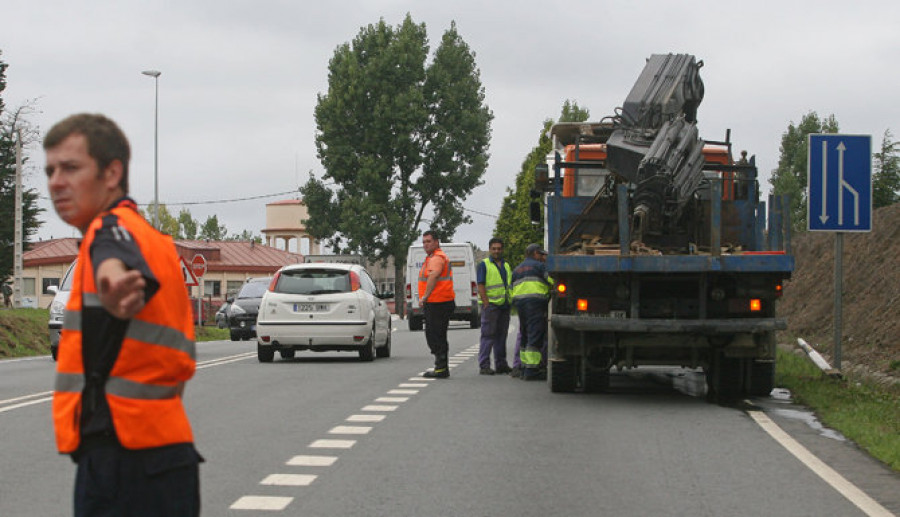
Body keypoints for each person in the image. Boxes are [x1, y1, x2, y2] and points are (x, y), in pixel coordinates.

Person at [45, 113, 201, 516]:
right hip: (168, 454)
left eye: (71, 168)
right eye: (50, 170)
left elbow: (114, 263)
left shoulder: (107, 231)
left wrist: (115, 287)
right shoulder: (160, 243)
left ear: (112, 172)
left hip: (122, 460)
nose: (56, 182)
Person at [511, 244, 553, 381]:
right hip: (535, 303)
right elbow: (552, 281)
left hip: (520, 304)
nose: (543, 257)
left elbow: (511, 289)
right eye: (541, 255)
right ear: (535, 253)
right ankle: (532, 370)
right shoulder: (540, 266)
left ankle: (524, 367)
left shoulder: (517, 269)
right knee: (535, 335)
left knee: (525, 335)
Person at [418, 230, 455, 378]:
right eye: (424, 242)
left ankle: (441, 368)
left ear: (436, 242)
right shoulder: (431, 258)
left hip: (439, 302)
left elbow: (433, 276)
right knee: (434, 334)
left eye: (428, 241)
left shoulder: (437, 258)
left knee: (436, 335)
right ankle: (441, 366)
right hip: (437, 302)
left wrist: (425, 296)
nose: (425, 244)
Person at [476, 237, 512, 375]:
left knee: (501, 336)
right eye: (494, 248)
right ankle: (484, 365)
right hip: (490, 306)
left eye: (499, 248)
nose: (496, 251)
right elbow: (481, 284)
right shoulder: (484, 265)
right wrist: (486, 303)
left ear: (502, 249)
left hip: (504, 305)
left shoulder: (506, 265)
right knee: (488, 336)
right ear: (490, 249)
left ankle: (501, 364)